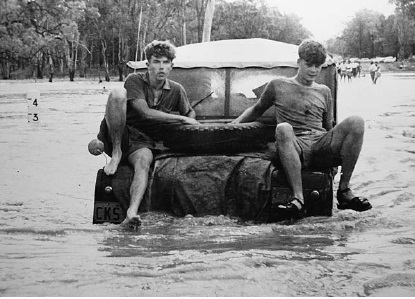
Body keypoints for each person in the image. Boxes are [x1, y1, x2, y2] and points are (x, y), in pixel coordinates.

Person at [232, 39, 372, 218]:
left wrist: (335, 161)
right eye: (309, 65)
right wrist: (234, 125)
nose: (313, 70)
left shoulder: (324, 91)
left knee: (357, 121)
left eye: (318, 66)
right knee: (283, 128)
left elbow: (328, 126)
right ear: (299, 62)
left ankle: (344, 191)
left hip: (320, 142)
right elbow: (256, 110)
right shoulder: (278, 85)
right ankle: (298, 198)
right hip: (295, 144)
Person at [97, 40, 199, 227]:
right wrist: (182, 119)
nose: (161, 67)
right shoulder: (135, 80)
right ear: (148, 64)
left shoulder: (176, 89)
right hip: (121, 133)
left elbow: (189, 113)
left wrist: (188, 123)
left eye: (165, 62)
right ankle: (117, 153)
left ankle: (132, 212)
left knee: (144, 161)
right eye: (156, 61)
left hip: (145, 142)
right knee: (118, 93)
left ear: (171, 66)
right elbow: (144, 112)